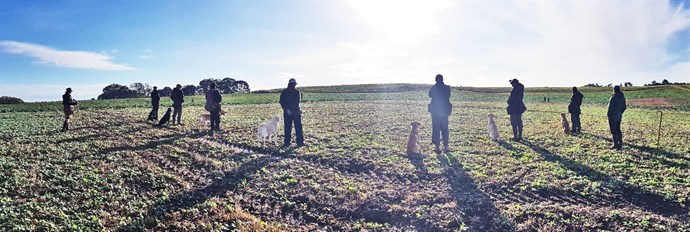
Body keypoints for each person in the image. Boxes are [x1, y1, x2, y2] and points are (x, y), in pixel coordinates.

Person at [428, 74, 451, 153]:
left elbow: (430, 95)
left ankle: (437, 148)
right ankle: (446, 147)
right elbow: (448, 96)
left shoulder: (434, 88)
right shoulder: (447, 88)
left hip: (435, 112)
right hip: (444, 111)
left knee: (436, 129)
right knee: (445, 129)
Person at [280, 78, 304, 147]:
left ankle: (287, 142)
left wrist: (287, 109)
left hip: (288, 113)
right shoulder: (297, 92)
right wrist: (290, 109)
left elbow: (282, 102)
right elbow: (297, 102)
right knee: (298, 127)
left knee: (287, 128)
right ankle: (300, 142)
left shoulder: (284, 92)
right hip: (296, 112)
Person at [607, 85, 626, 150]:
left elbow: (610, 108)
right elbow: (624, 107)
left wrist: (609, 115)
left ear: (614, 90)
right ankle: (620, 143)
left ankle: (615, 144)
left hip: (612, 117)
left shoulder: (613, 98)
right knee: (618, 130)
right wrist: (620, 113)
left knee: (613, 131)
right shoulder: (622, 97)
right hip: (619, 116)